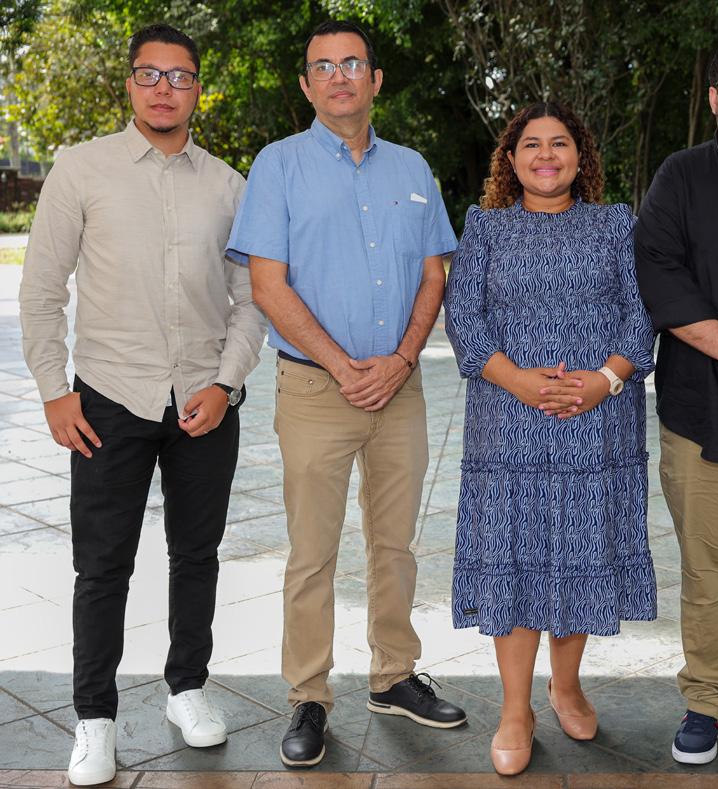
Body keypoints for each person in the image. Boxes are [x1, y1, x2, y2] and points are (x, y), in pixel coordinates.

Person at [19, 23, 267, 787]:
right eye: (150, 74)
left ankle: (186, 687)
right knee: (101, 565)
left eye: (180, 76)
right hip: (107, 398)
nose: (164, 88)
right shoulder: (81, 168)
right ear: (129, 84)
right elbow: (41, 288)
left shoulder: (228, 185)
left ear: (198, 90)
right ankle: (94, 717)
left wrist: (225, 384)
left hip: (203, 401)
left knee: (196, 554)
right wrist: (54, 389)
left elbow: (250, 300)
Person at [226, 19, 467, 769]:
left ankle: (393, 676)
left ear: (375, 79)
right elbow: (268, 285)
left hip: (399, 387)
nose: (339, 76)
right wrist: (342, 365)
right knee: (313, 552)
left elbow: (433, 273)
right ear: (306, 85)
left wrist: (400, 358)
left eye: (352, 63)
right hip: (313, 387)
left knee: (395, 544)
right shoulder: (278, 165)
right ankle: (309, 694)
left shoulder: (413, 168)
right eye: (323, 66)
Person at [445, 101, 656, 776]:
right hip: (508, 420)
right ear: (510, 161)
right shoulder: (485, 226)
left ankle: (566, 687)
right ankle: (515, 709)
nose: (545, 155)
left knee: (577, 550)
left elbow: (641, 314)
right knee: (515, 555)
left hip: (595, 420)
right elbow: (463, 315)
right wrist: (518, 381)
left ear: (579, 156)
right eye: (530, 144)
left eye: (559, 143)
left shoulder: (614, 223)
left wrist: (603, 380)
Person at [635, 28, 718, 766]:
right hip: (704, 416)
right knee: (710, 576)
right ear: (715, 95)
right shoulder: (678, 177)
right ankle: (708, 702)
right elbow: (658, 275)